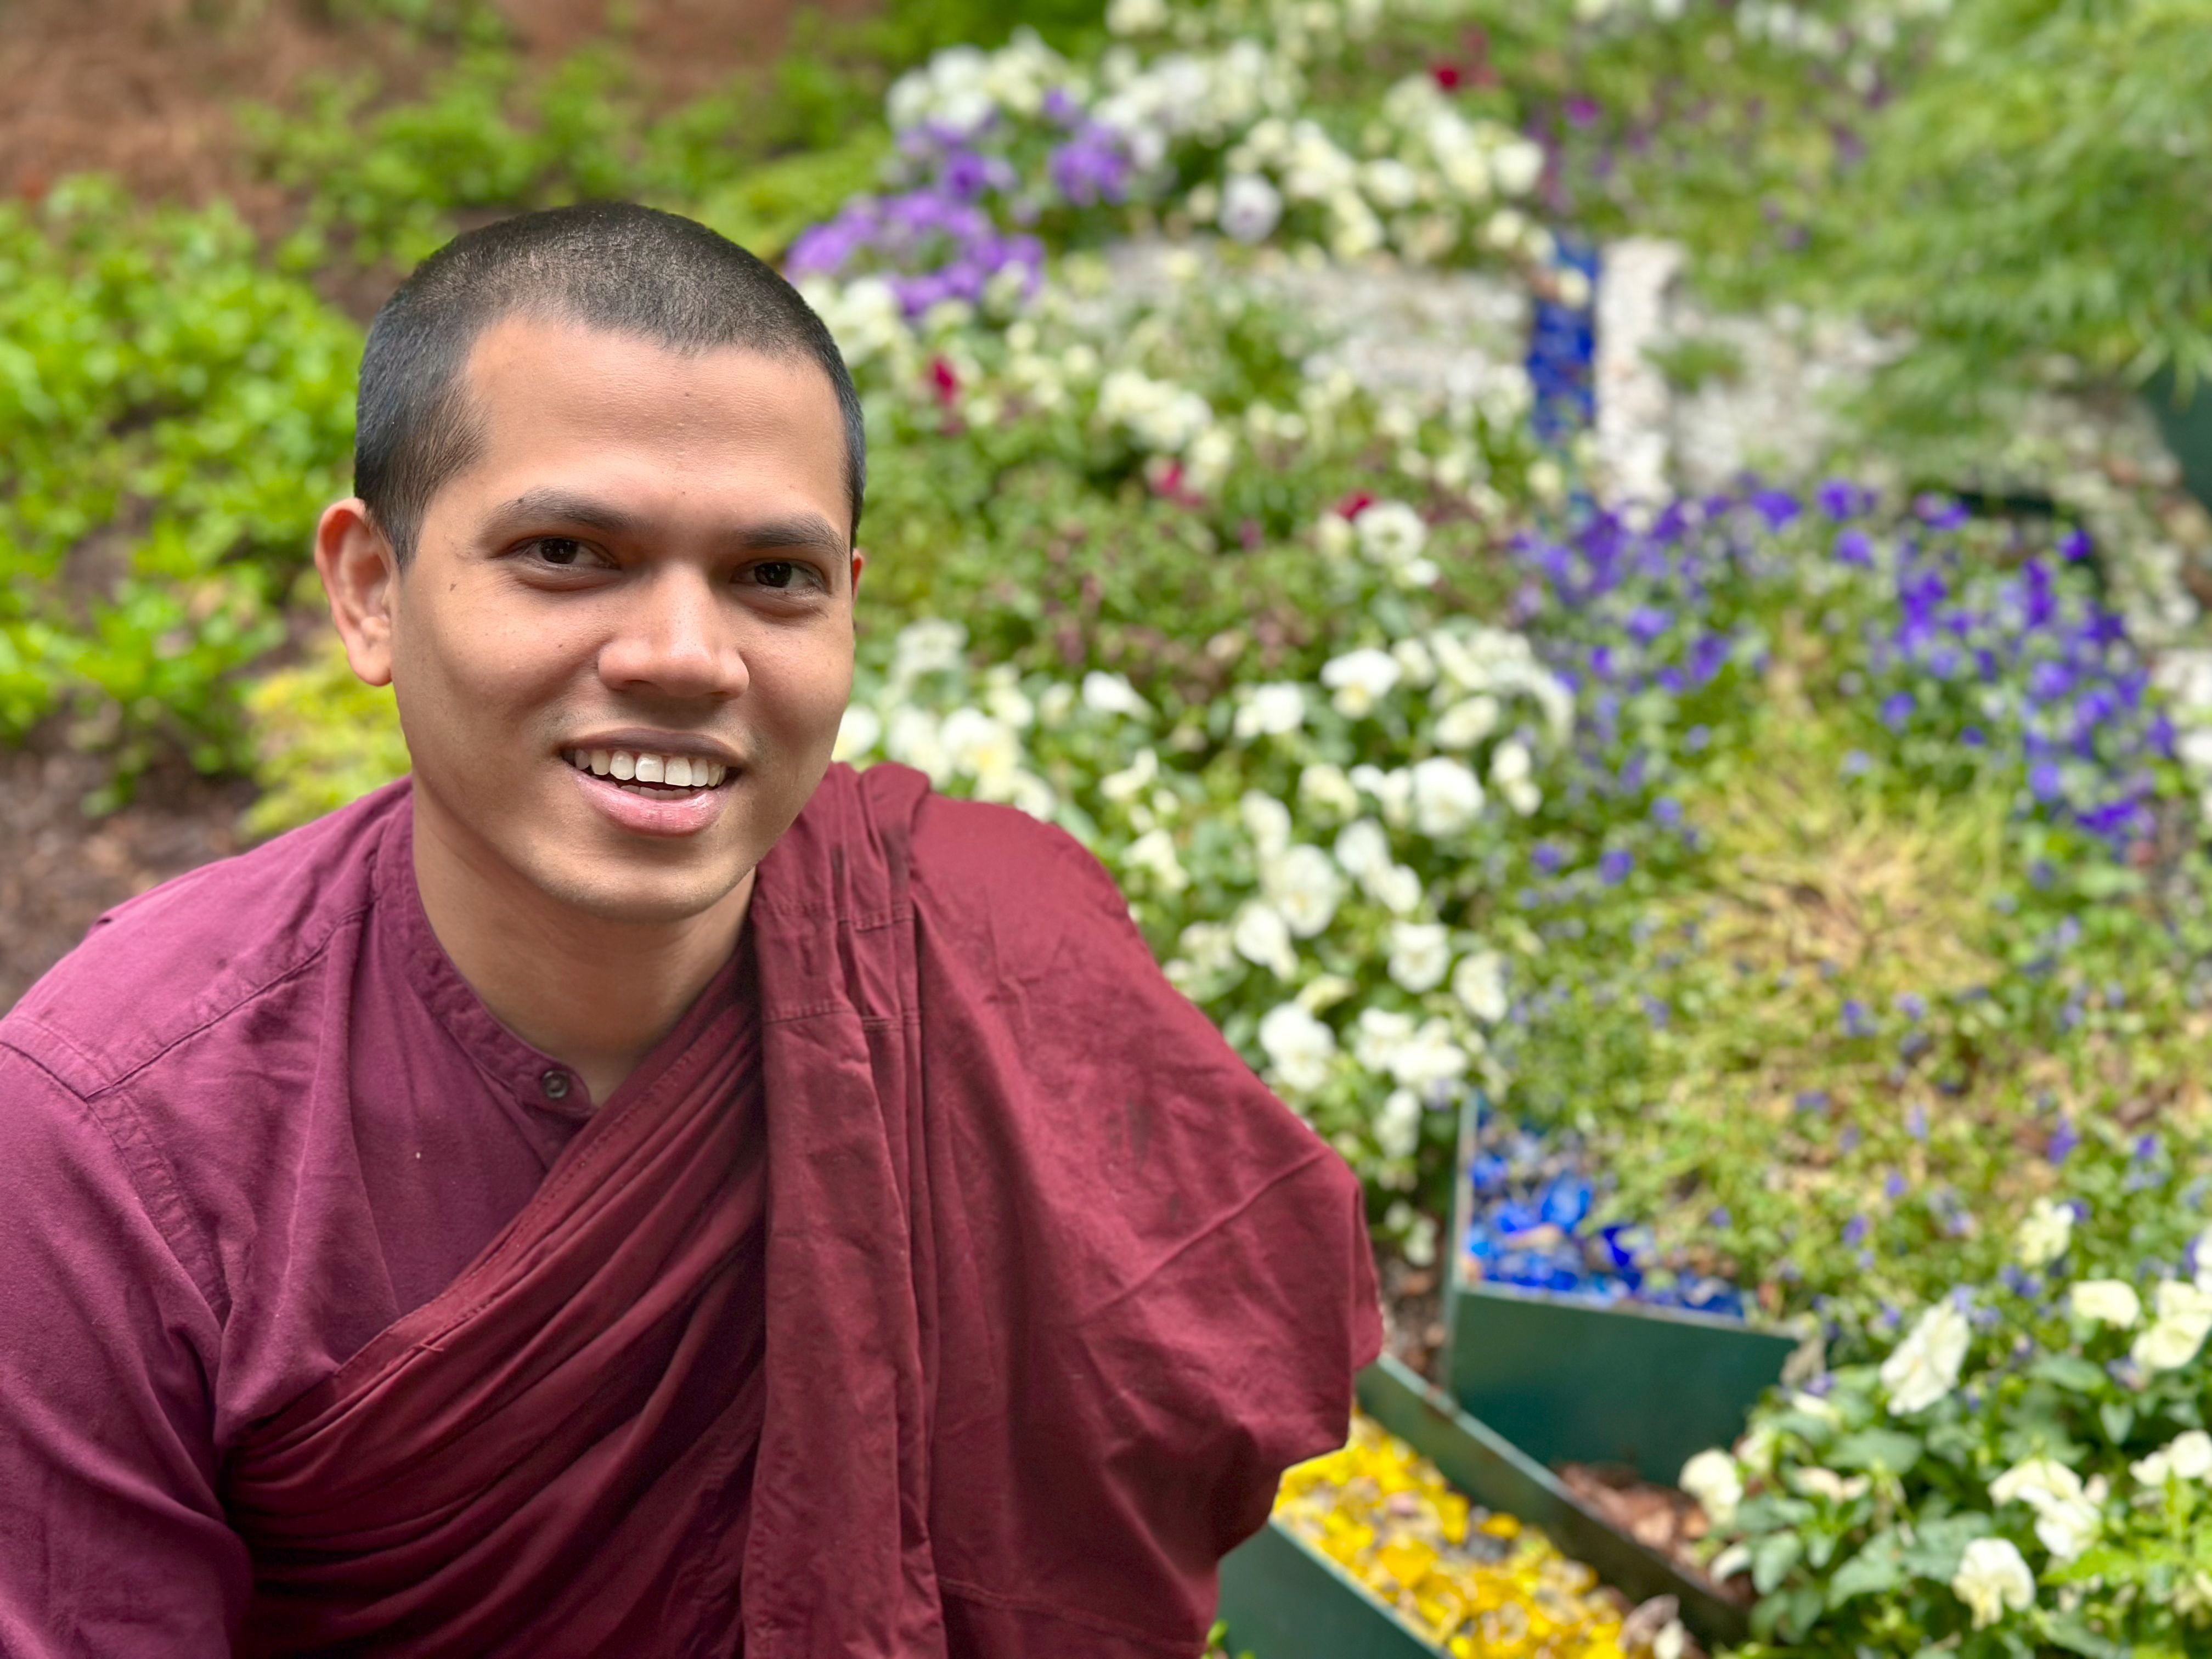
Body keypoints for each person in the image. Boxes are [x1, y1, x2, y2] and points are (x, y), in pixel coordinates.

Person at [0, 202, 1381, 1658]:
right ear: (371, 591)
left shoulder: (988, 947)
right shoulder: (110, 1132)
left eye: (771, 577)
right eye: (567, 551)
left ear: (849, 608)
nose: (681, 657)